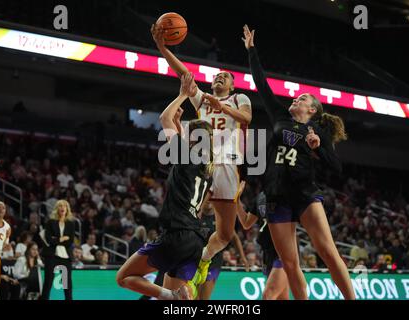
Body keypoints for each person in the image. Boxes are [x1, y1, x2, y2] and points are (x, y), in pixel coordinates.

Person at [243, 25, 355, 300]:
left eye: (302, 98)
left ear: (312, 110)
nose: (296, 98)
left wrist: (319, 150)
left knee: (327, 251)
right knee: (290, 263)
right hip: (276, 196)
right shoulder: (280, 116)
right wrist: (251, 51)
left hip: (305, 193)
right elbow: (261, 84)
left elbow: (336, 168)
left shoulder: (318, 132)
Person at [151, 24, 252, 289]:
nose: (220, 78)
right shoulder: (203, 99)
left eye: (225, 77)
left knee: (226, 234)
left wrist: (224, 109)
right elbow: (184, 74)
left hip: (228, 164)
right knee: (187, 218)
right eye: (217, 76)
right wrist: (163, 48)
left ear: (232, 84)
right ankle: (182, 268)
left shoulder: (240, 98)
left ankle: (206, 257)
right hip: (202, 163)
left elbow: (247, 118)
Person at [116, 73, 214, 300]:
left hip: (176, 235)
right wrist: (180, 125)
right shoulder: (207, 168)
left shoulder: (187, 157)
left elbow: (163, 118)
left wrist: (182, 95)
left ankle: (170, 295)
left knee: (124, 278)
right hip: (194, 241)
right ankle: (175, 296)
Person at [236, 186, 290, 300]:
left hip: (284, 251)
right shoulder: (261, 197)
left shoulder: (287, 191)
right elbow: (246, 223)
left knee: (268, 295)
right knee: (282, 298)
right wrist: (236, 200)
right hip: (267, 252)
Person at [196, 200, 249, 300]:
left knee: (203, 298)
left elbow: (234, 237)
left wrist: (242, 257)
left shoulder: (219, 216)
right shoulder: (196, 214)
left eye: (210, 196)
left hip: (213, 261)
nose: (207, 200)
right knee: (193, 296)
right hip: (196, 260)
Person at [41, 199, 75, 300]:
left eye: (64, 206)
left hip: (65, 257)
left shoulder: (70, 224)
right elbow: (48, 239)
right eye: (60, 206)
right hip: (52, 256)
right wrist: (62, 238)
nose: (62, 208)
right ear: (57, 209)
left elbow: (70, 241)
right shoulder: (50, 222)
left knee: (66, 284)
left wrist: (56, 239)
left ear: (67, 209)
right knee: (48, 281)